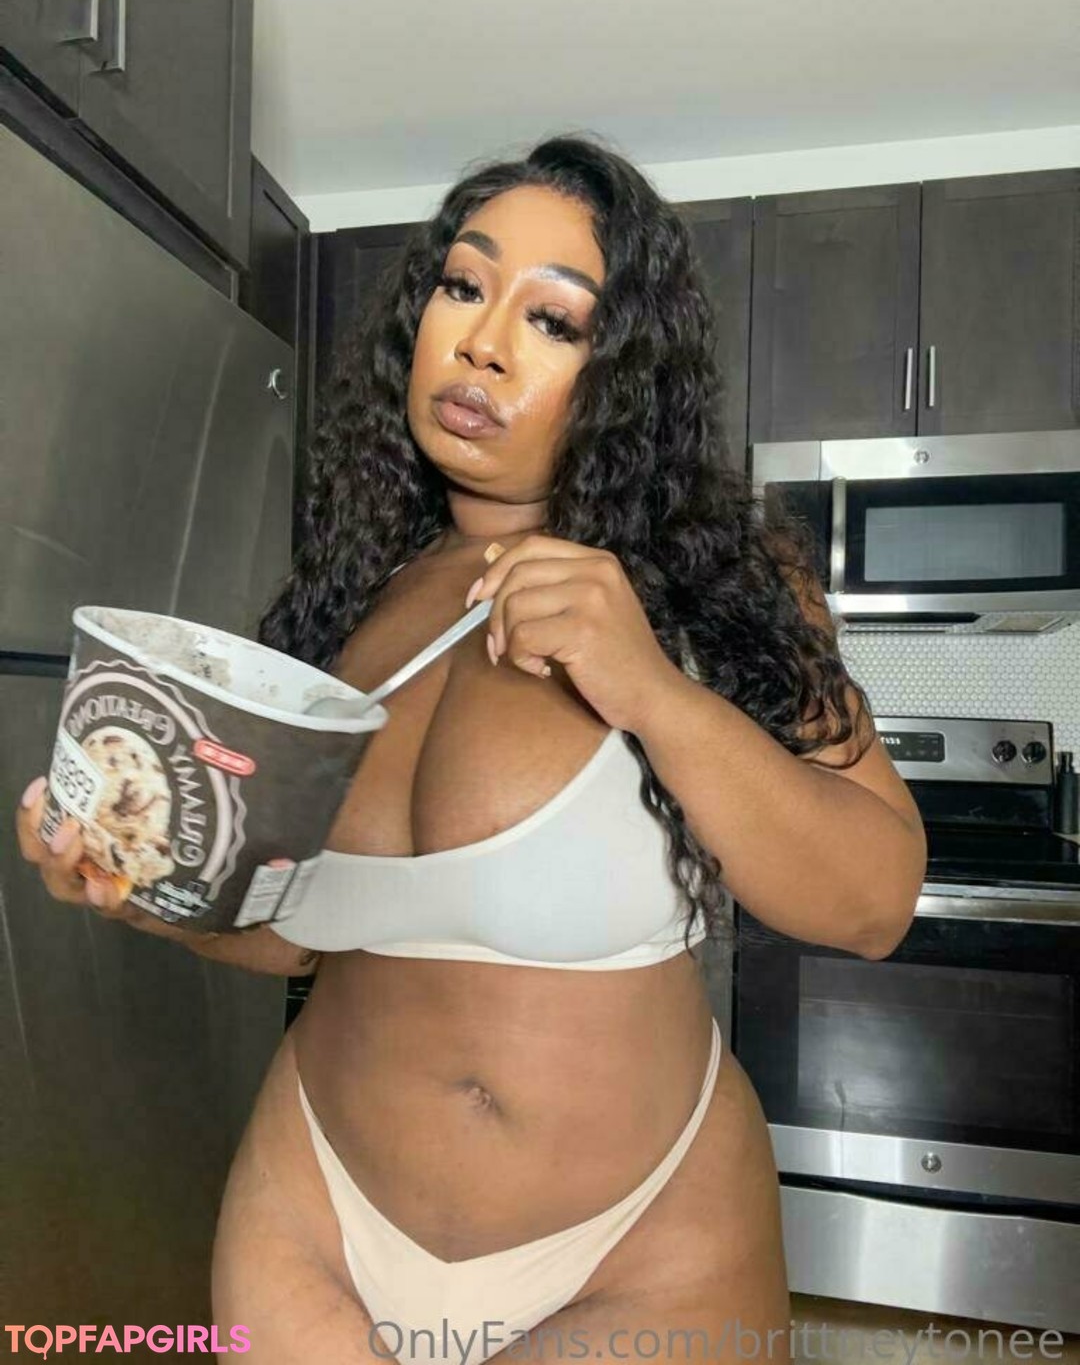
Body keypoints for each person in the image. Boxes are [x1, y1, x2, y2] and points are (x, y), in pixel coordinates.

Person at [16, 134, 926, 1363]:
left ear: (628, 374)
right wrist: (142, 893)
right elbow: (294, 929)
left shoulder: (720, 586)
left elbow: (873, 902)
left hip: (636, 1254)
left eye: (553, 319)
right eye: (462, 285)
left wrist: (652, 690)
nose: (484, 343)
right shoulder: (351, 594)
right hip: (313, 1215)